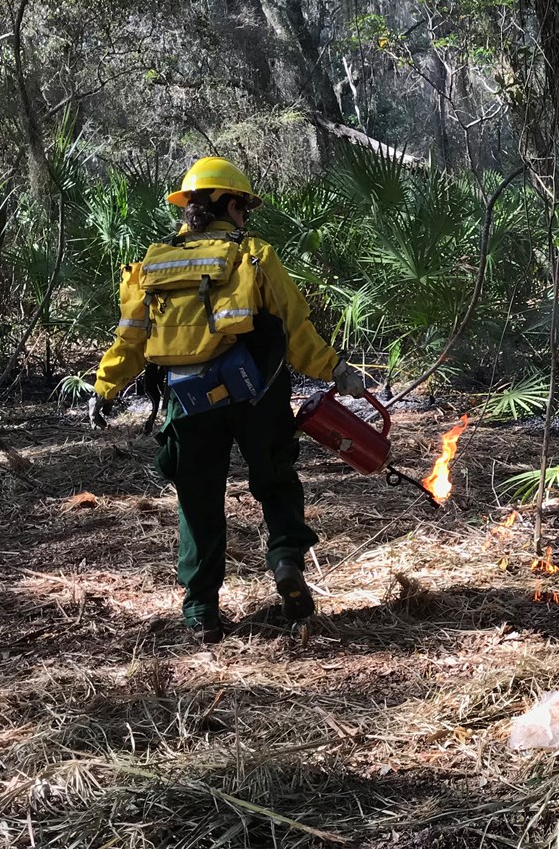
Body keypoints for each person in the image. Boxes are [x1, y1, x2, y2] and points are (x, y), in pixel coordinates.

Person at [88, 157, 367, 644]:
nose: (246, 218)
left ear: (189, 206)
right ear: (229, 204)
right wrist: (337, 371)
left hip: (187, 398)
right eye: (244, 208)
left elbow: (131, 340)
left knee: (197, 499)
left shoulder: (152, 263)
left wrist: (104, 387)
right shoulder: (254, 254)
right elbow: (295, 329)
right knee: (276, 481)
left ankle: (201, 611)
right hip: (257, 392)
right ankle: (284, 560)